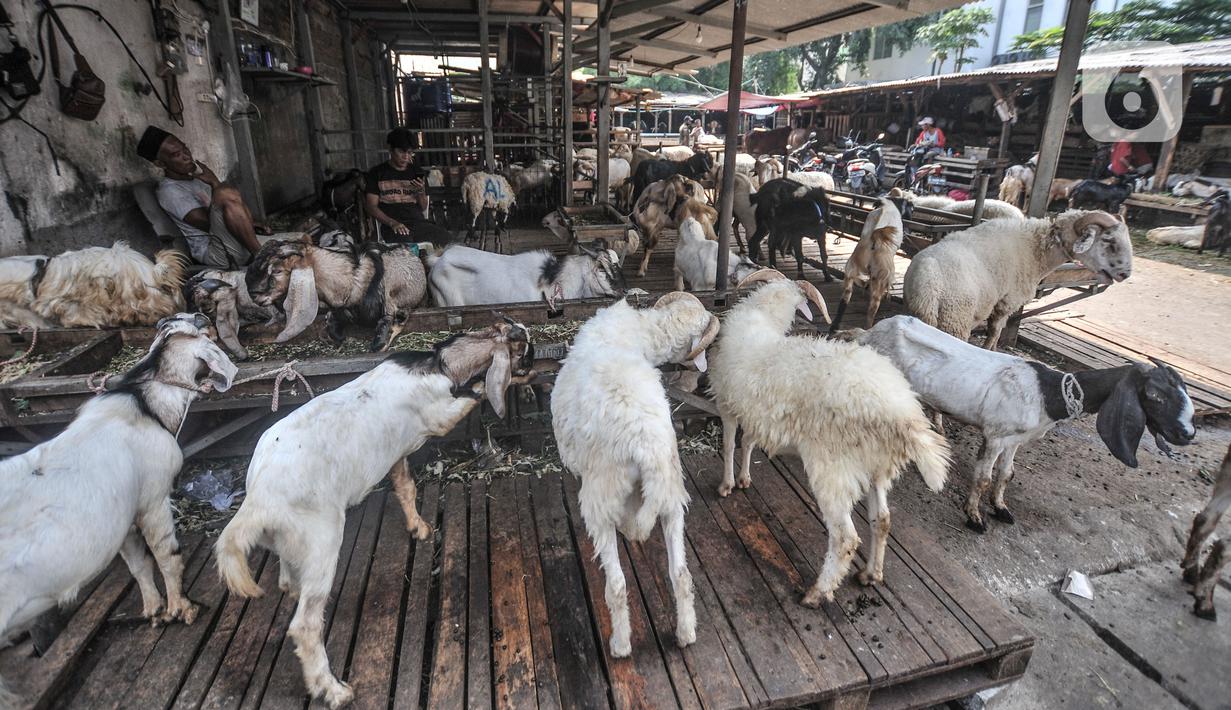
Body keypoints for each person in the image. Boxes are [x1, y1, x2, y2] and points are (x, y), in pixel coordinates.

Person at [139, 126, 267, 268]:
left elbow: (230, 212)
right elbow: (207, 223)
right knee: (225, 193)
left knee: (227, 193)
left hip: (231, 243)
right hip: (217, 253)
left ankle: (257, 251)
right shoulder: (169, 191)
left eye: (185, 149)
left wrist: (249, 224)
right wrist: (215, 184)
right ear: (160, 164)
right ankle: (261, 257)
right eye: (176, 155)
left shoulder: (197, 180)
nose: (187, 156)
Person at [364, 128, 451, 245]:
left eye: (409, 152)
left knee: (445, 238)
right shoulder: (377, 173)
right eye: (401, 151)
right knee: (406, 243)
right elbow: (371, 206)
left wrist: (421, 191)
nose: (406, 157)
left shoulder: (416, 172)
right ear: (390, 149)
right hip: (392, 226)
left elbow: (424, 207)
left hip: (417, 223)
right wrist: (392, 223)